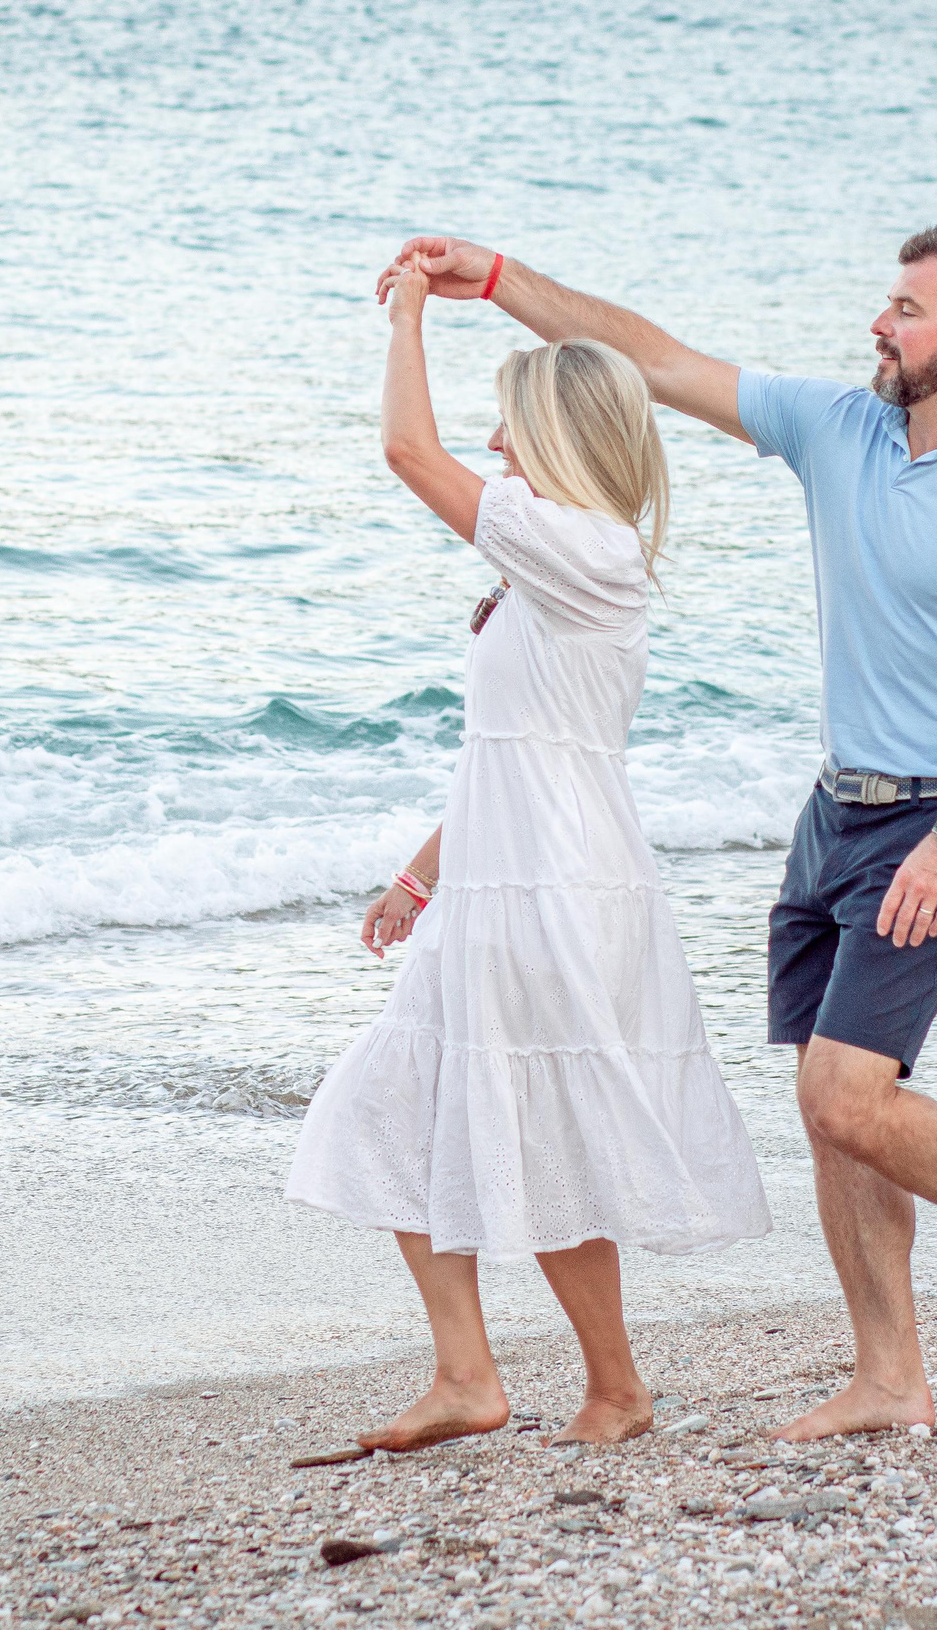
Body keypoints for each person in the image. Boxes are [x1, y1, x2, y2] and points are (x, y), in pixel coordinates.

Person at [375, 227, 937, 1441]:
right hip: (835, 812)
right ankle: (888, 1378)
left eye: (905, 309)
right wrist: (494, 282)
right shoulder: (838, 428)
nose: (878, 325)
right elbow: (651, 360)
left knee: (845, 1095)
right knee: (832, 1112)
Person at [284, 262, 773, 1452]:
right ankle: (468, 1377)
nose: (494, 441)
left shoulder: (587, 550)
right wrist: (421, 874)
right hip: (510, 871)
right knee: (393, 1107)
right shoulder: (549, 566)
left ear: (559, 434)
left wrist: (407, 313)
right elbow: (514, 751)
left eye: (510, 422)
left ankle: (614, 1389)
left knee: (543, 1129)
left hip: (555, 885)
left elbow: (407, 450)